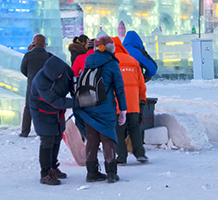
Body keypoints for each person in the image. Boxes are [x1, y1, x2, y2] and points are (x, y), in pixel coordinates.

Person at [74, 35, 128, 183]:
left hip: (87, 106)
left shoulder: (88, 61)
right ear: (111, 49)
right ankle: (111, 173)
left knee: (91, 140)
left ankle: (91, 173)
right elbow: (120, 89)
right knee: (108, 138)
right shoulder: (111, 64)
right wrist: (123, 110)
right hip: (106, 108)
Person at [28, 55, 76, 185]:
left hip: (57, 110)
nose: (59, 78)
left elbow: (72, 83)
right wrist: (77, 103)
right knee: (47, 139)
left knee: (57, 135)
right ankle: (45, 173)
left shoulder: (65, 70)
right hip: (41, 110)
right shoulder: (41, 81)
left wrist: (76, 95)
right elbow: (55, 101)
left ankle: (53, 167)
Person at [114, 36, 148, 164]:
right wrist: (142, 99)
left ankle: (121, 157)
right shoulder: (133, 61)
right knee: (134, 128)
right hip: (133, 103)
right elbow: (141, 85)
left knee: (118, 130)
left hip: (117, 104)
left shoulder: (111, 61)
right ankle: (140, 154)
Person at [19, 35, 52, 137]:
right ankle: (43, 130)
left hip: (32, 85)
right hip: (45, 86)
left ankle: (25, 131)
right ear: (44, 44)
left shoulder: (28, 56)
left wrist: (30, 77)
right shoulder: (49, 56)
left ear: (33, 43)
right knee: (44, 107)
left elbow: (23, 70)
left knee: (28, 108)